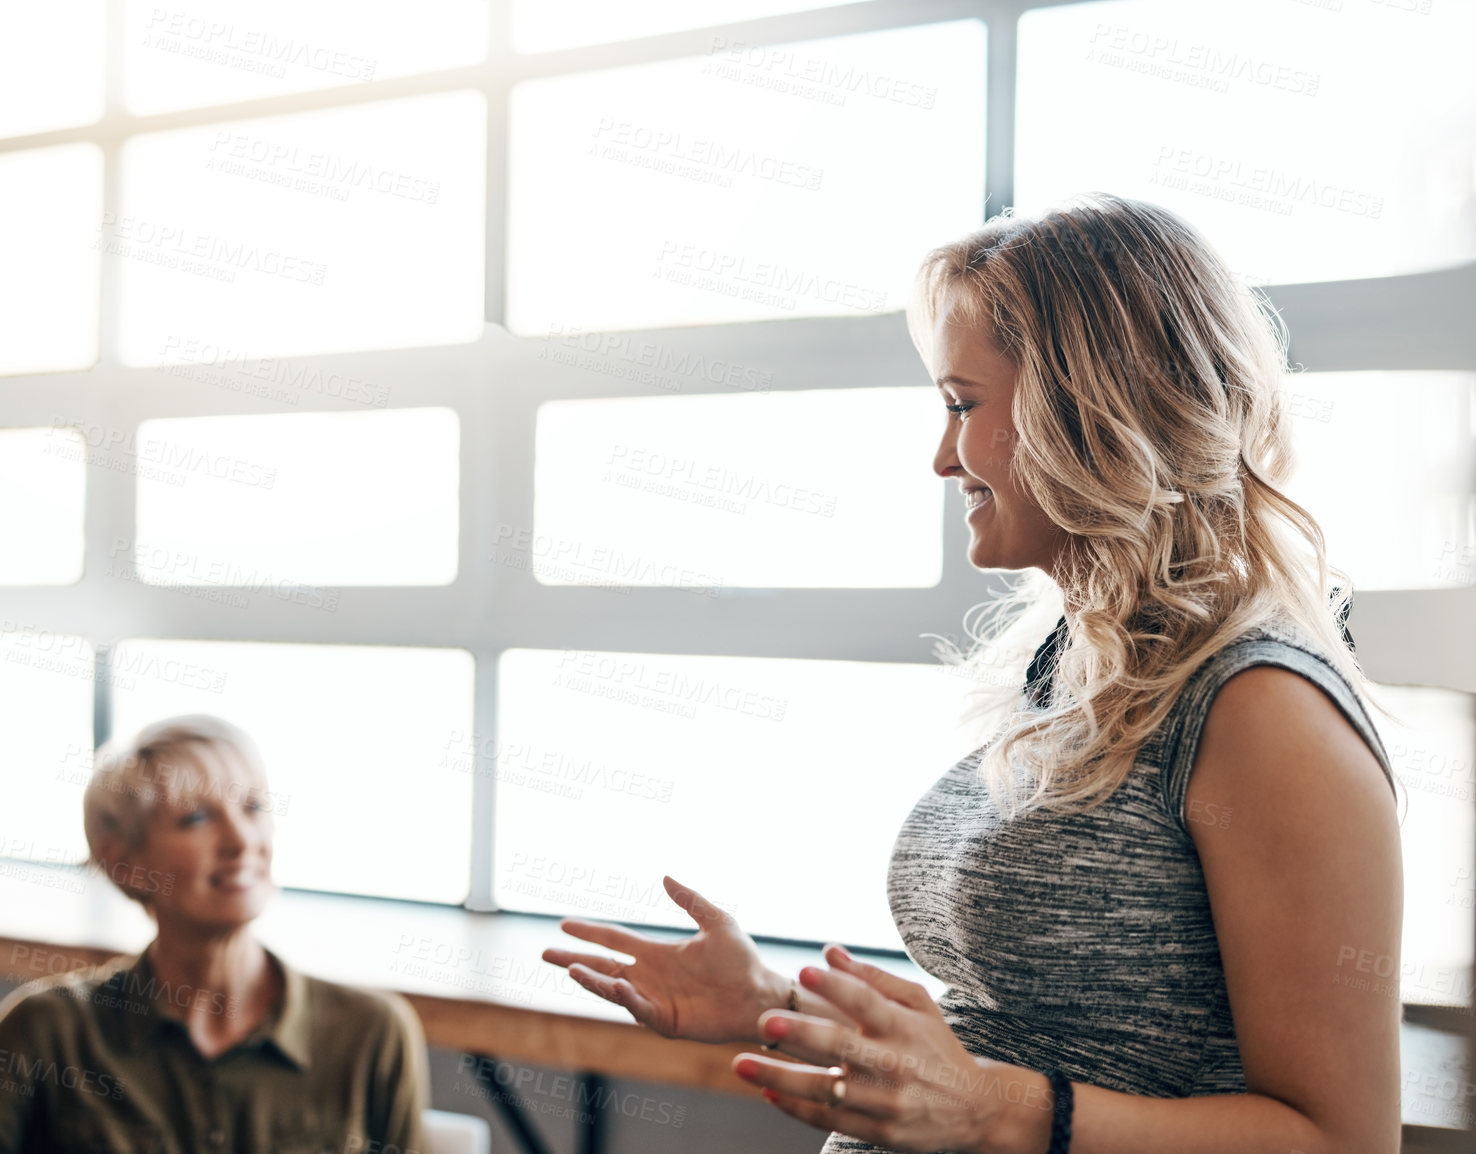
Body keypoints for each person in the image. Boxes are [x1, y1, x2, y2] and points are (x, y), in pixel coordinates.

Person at [542, 194, 1405, 1154]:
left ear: (1091, 409)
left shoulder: (1260, 707)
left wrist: (991, 1110)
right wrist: (783, 1007)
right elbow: (1014, 1034)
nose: (943, 459)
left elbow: (1339, 1139)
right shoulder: (1076, 663)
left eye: (962, 406)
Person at [0, 715, 429, 1154]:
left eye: (253, 807)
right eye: (198, 817)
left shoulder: (373, 1035)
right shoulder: (47, 1029)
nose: (242, 840)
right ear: (125, 862)